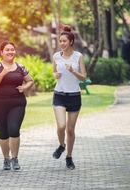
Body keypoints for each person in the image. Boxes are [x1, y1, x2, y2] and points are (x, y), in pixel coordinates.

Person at [0, 41, 34, 170]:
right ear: (1, 52)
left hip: (17, 103)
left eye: (12, 49)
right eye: (7, 50)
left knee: (14, 129)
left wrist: (24, 87)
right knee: (3, 133)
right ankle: (6, 159)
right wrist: (3, 73)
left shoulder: (20, 67)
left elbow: (30, 80)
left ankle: (15, 158)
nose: (10, 52)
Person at [51, 26, 87, 170]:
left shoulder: (78, 56)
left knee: (70, 130)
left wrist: (73, 72)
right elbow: (54, 72)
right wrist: (55, 75)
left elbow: (84, 78)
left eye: (64, 41)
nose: (62, 43)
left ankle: (69, 157)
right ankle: (61, 145)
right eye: (60, 41)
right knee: (61, 126)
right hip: (59, 94)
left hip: (74, 96)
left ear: (71, 41)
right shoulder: (56, 56)